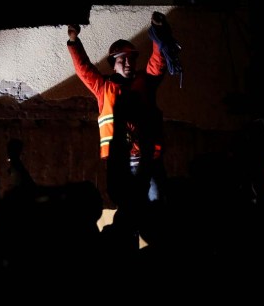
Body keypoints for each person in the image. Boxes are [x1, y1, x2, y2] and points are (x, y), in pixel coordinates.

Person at [66, 12, 180, 236]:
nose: (128, 63)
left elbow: (157, 64)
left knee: (157, 214)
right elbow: (84, 70)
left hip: (149, 162)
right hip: (120, 165)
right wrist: (73, 42)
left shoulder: (144, 83)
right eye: (122, 60)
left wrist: (157, 34)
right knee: (129, 220)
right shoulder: (104, 88)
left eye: (131, 59)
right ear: (113, 64)